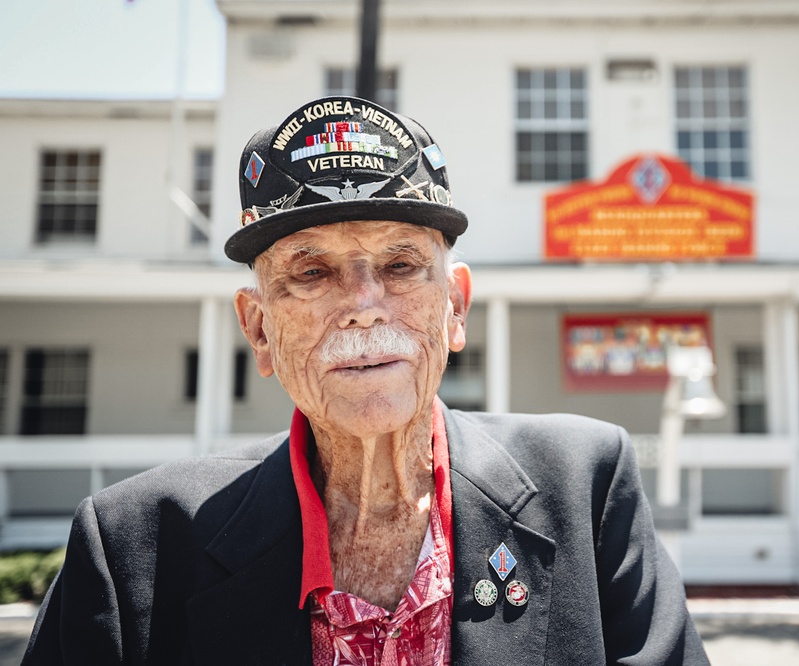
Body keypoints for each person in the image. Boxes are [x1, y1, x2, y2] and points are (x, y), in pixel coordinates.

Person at [22, 96, 709, 665]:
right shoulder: (131, 545)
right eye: (312, 272)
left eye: (402, 265)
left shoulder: (585, 484)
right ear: (259, 328)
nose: (362, 304)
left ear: (455, 308)